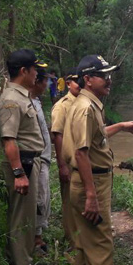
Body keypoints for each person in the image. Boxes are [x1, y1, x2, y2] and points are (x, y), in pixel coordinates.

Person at [63, 55, 133, 265]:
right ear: (88, 79)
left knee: (86, 243)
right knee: (101, 247)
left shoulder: (88, 105)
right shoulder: (85, 108)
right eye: (103, 75)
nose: (109, 79)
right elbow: (82, 154)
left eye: (109, 74)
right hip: (91, 182)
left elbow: (94, 139)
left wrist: (120, 126)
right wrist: (92, 196)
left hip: (89, 181)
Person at [0, 49, 48, 265]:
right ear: (23, 71)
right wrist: (18, 174)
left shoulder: (22, 95)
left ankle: (26, 261)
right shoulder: (11, 99)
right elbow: (9, 140)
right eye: (34, 69)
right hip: (22, 164)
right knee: (20, 218)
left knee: (28, 216)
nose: (37, 73)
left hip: (31, 161)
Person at [51, 68, 80, 248]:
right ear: (68, 83)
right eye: (76, 81)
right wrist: (62, 165)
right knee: (69, 202)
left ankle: (83, 237)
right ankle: (72, 241)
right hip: (69, 161)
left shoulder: (85, 103)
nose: (80, 85)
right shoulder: (62, 106)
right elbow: (57, 135)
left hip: (84, 161)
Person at [31, 68, 52, 253]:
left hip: (44, 158)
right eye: (45, 80)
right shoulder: (25, 102)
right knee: (38, 200)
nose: (47, 84)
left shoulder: (36, 101)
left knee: (43, 198)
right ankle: (35, 240)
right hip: (36, 160)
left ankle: (38, 235)